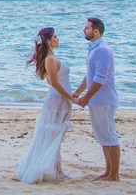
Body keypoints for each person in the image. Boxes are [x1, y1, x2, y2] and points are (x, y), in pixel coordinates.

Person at [15, 26, 74, 183]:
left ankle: (56, 168)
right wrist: (72, 98)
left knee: (56, 135)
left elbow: (51, 80)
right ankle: (52, 169)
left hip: (61, 99)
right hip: (57, 100)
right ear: (48, 41)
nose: (58, 39)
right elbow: (53, 83)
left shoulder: (52, 58)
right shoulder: (49, 59)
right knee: (53, 135)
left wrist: (71, 97)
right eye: (55, 37)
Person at [73, 16, 120, 181]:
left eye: (86, 28)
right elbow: (89, 75)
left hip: (104, 99)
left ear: (96, 31)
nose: (83, 30)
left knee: (109, 136)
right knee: (103, 137)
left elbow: (100, 78)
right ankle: (108, 171)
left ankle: (114, 175)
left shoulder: (102, 50)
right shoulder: (93, 48)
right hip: (97, 100)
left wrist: (86, 97)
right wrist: (78, 92)